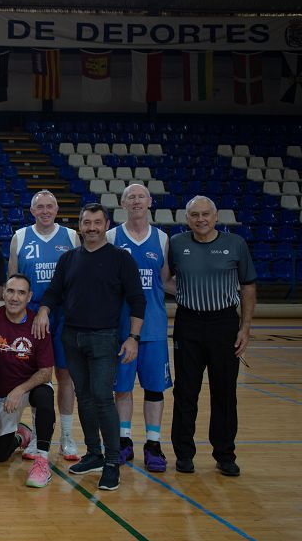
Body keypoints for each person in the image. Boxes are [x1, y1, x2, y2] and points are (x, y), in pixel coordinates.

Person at [33, 203, 145, 492]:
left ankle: (111, 461)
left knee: (102, 398)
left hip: (104, 338)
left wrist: (133, 337)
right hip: (72, 336)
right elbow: (54, 292)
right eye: (86, 222)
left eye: (97, 222)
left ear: (106, 224)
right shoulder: (69, 258)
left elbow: (137, 300)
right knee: (83, 395)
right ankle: (93, 453)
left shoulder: (121, 259)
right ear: (80, 226)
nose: (92, 227)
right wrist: (44, 310)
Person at [168, 195, 256, 477]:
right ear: (187, 219)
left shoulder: (235, 244)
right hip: (188, 322)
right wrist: (184, 290)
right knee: (185, 392)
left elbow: (248, 286)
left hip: (224, 323)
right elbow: (163, 278)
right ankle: (184, 454)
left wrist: (245, 327)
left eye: (206, 214)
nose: (201, 219)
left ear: (216, 217)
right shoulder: (177, 244)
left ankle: (225, 454)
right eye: (195, 215)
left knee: (225, 392)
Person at [8, 189, 80, 461]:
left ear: (57, 210)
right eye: (40, 206)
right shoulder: (21, 237)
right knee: (37, 378)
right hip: (30, 316)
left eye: (50, 206)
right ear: (32, 210)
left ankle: (67, 436)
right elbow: (13, 279)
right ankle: (39, 434)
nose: (46, 211)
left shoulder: (71, 237)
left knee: (64, 377)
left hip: (63, 317)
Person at [106, 183, 172, 472]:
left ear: (150, 202)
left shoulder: (162, 238)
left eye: (140, 196)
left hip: (155, 328)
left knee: (155, 389)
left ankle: (154, 444)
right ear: (122, 203)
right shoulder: (111, 237)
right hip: (121, 328)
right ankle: (124, 440)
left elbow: (166, 281)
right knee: (122, 389)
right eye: (130, 197)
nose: (135, 201)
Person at [0, 274, 56, 488]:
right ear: (3, 293)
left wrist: (19, 390)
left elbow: (46, 372)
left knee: (45, 393)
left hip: (26, 390)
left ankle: (42, 460)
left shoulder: (37, 324)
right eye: (11, 291)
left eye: (21, 293)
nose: (14, 297)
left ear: (29, 296)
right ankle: (21, 435)